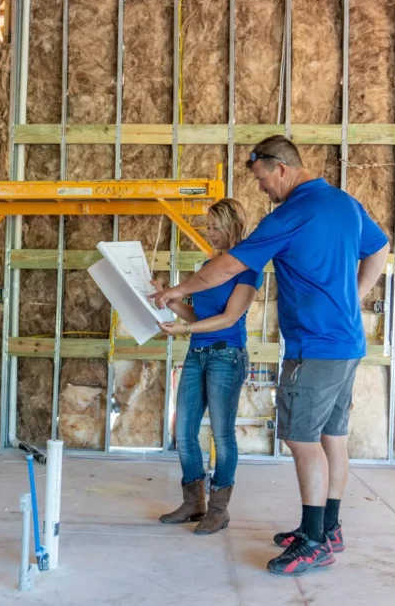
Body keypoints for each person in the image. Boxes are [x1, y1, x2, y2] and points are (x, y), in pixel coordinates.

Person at [153, 136, 389, 575]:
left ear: (280, 167)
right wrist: (353, 300)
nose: (261, 188)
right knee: (331, 438)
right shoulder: (343, 203)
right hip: (346, 343)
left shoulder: (291, 213)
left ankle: (314, 540)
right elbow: (379, 248)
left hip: (314, 347)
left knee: (302, 439)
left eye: (261, 178)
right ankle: (327, 528)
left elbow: (227, 266)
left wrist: (177, 290)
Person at [153, 198, 261, 535]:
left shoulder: (248, 267)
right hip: (197, 353)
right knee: (183, 431)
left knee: (222, 434)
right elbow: (198, 316)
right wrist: (170, 302)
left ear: (232, 225)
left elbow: (229, 317)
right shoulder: (206, 266)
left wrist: (184, 329)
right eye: (208, 226)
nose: (209, 232)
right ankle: (193, 502)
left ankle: (218, 509)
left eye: (215, 226)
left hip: (226, 355)